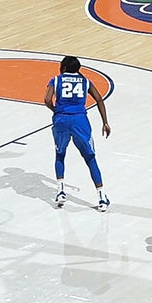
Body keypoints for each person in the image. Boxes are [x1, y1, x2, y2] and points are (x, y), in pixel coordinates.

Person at [44, 53, 111, 209]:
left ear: (64, 67)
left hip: (61, 119)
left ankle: (60, 191)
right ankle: (101, 198)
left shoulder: (56, 80)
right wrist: (105, 122)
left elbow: (47, 100)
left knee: (60, 154)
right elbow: (99, 99)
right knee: (90, 158)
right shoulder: (85, 81)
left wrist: (55, 110)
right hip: (80, 120)